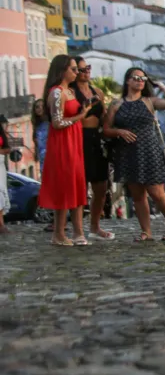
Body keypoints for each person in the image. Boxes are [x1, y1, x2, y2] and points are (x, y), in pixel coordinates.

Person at [104, 67, 165, 242]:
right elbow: (106, 129)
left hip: (150, 150)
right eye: (136, 77)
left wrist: (161, 86)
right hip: (128, 153)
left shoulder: (149, 101)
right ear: (127, 81)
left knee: (156, 192)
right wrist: (120, 132)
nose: (140, 80)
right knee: (138, 195)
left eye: (143, 78)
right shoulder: (117, 105)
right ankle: (146, 231)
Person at [39, 55, 92, 246]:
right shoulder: (57, 92)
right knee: (64, 186)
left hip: (74, 143)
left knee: (76, 186)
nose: (76, 72)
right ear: (62, 70)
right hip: (63, 144)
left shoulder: (69, 91)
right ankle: (59, 234)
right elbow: (57, 123)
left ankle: (73, 232)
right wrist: (81, 115)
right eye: (73, 69)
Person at [73, 58, 114, 240]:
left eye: (87, 68)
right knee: (80, 188)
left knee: (101, 186)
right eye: (81, 70)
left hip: (96, 139)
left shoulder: (97, 91)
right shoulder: (70, 92)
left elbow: (104, 115)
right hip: (78, 138)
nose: (85, 72)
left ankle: (95, 226)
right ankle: (78, 230)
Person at [0, 115, 11, 234]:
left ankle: (1, 224)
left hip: (0, 164)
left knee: (2, 192)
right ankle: (1, 225)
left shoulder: (1, 131)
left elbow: (7, 148)